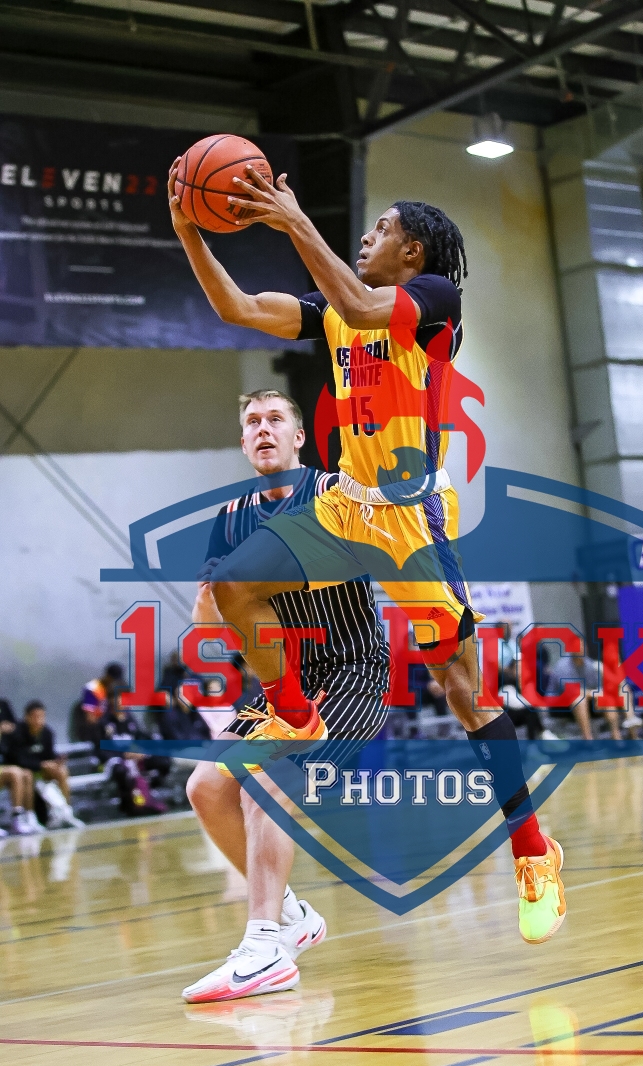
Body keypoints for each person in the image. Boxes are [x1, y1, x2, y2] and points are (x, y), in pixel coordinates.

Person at [169, 166, 566, 947]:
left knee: (462, 688)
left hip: (411, 517)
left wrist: (291, 218)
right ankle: (292, 709)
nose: (365, 235)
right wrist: (189, 230)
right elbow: (236, 306)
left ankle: (532, 850)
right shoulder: (335, 310)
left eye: (381, 229)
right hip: (347, 504)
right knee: (236, 585)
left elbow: (357, 302)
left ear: (412, 251)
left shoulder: (434, 302)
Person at [181, 388, 391, 1002]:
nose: (263, 429)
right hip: (285, 683)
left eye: (276, 419)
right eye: (253, 422)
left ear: (299, 438)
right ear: (243, 442)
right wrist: (212, 598)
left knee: (266, 780)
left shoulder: (334, 494)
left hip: (352, 671)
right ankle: (293, 916)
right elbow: (207, 626)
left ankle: (264, 947)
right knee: (206, 786)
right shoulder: (230, 519)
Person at [5, 702, 83, 828]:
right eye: (35, 717)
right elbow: (18, 760)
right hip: (24, 771)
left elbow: (49, 756)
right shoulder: (17, 733)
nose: (39, 720)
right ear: (27, 717)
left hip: (41, 770)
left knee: (62, 771)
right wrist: (41, 764)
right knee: (27, 775)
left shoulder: (47, 733)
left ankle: (66, 811)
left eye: (42, 716)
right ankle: (29, 817)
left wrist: (56, 762)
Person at [0, 696, 38, 834]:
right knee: (15, 772)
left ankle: (26, 818)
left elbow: (13, 728)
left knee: (26, 774)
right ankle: (17, 819)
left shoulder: (4, 705)